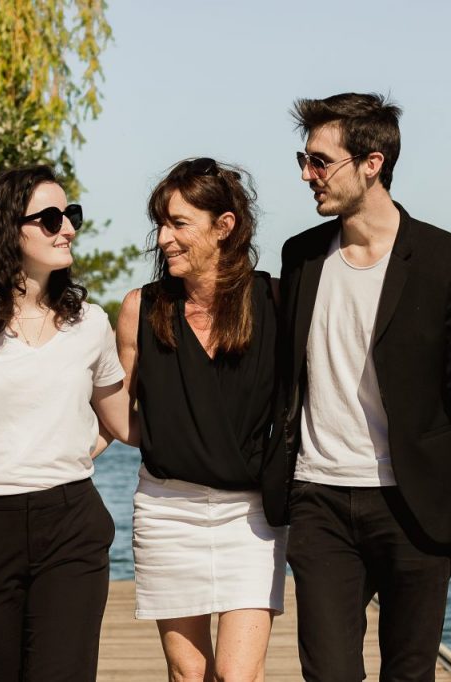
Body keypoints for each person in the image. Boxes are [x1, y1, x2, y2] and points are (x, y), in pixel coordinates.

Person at [261, 93, 451, 682]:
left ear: (371, 164)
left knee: (409, 672)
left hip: (414, 506)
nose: (306, 174)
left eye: (320, 162)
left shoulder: (450, 263)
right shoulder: (301, 257)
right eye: (304, 158)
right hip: (318, 498)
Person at [0, 165, 130, 682]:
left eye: (71, 215)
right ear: (9, 230)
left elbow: (121, 423)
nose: (68, 228)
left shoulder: (91, 324)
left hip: (71, 524)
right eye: (51, 218)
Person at [115, 158, 286, 682]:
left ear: (224, 226)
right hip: (167, 512)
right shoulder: (140, 308)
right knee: (189, 675)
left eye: (179, 223)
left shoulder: (276, 301)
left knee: (237, 674)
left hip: (251, 516)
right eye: (161, 224)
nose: (164, 238)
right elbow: (116, 414)